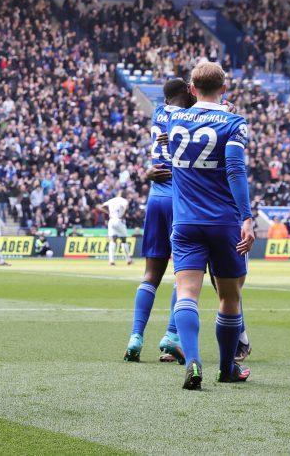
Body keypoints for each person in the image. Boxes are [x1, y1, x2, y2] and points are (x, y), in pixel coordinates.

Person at [168, 62, 254, 390]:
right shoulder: (233, 124)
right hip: (223, 222)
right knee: (229, 297)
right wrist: (246, 216)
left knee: (187, 293)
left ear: (191, 89)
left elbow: (166, 111)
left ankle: (192, 359)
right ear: (224, 88)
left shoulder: (174, 117)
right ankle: (227, 367)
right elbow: (235, 170)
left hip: (186, 221)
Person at [124, 78, 194, 363]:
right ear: (184, 94)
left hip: (155, 198)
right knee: (184, 274)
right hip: (181, 199)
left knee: (151, 274)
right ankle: (171, 337)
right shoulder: (189, 117)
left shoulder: (158, 112)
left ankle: (135, 338)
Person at [99, 190, 132, 266]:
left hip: (111, 221)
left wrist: (109, 213)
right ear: (125, 195)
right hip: (119, 220)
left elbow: (101, 207)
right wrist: (123, 215)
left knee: (113, 240)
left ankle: (111, 261)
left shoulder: (112, 200)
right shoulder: (124, 200)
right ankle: (128, 260)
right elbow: (126, 207)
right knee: (123, 240)